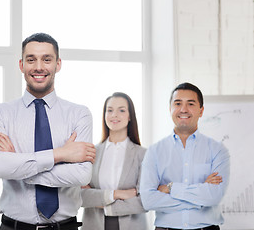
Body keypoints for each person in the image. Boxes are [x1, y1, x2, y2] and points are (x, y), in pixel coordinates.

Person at [0, 33, 96, 230]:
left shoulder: (79, 114)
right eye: (31, 59)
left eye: (46, 59)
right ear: (21, 65)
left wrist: (18, 165)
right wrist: (61, 154)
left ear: (58, 64)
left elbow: (81, 175)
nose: (38, 67)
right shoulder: (0, 113)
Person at [140, 82, 230, 230]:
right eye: (178, 103)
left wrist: (170, 188)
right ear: (170, 109)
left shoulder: (218, 150)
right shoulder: (154, 151)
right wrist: (200, 194)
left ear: (201, 111)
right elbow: (148, 200)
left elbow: (214, 196)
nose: (183, 109)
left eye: (190, 104)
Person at [81, 92, 147, 230]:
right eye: (109, 110)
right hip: (94, 225)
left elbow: (145, 200)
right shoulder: (90, 152)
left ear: (130, 116)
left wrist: (104, 204)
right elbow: (80, 196)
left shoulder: (143, 154)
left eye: (121, 110)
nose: (114, 115)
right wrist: (117, 194)